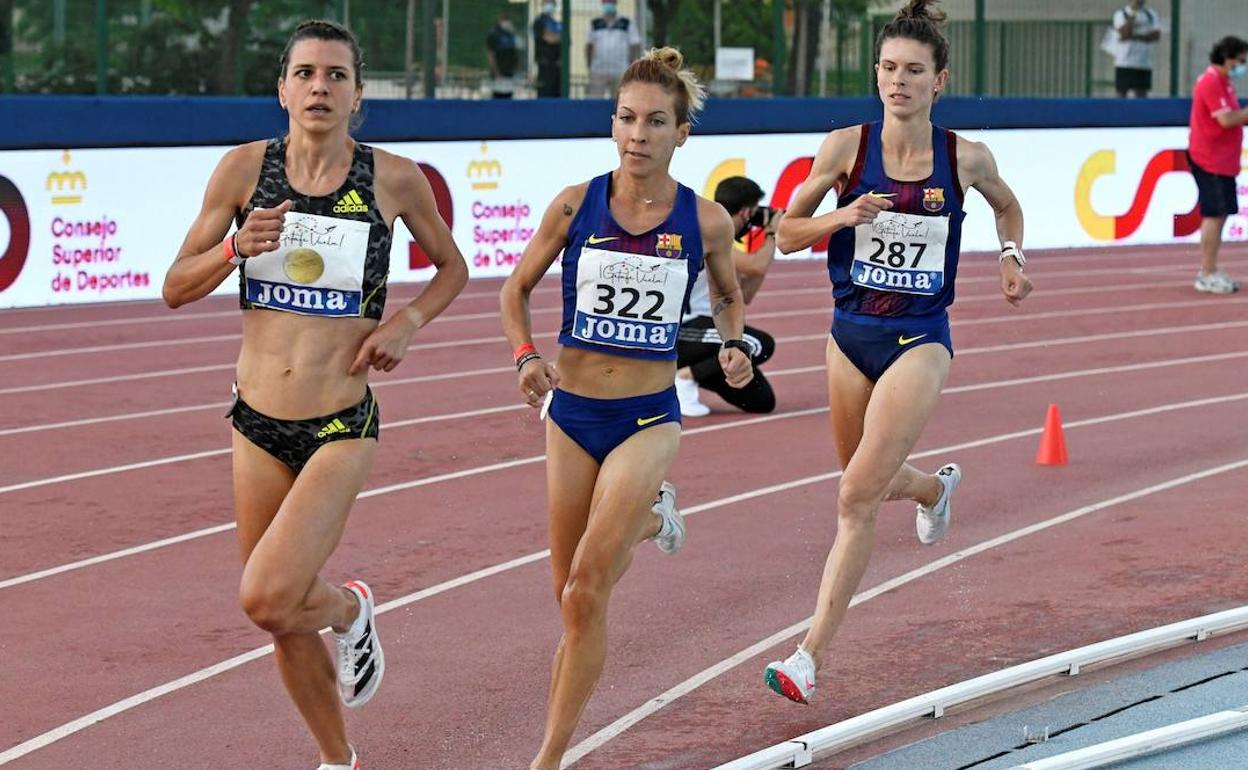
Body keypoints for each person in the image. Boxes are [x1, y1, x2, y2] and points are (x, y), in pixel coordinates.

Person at [161, 19, 468, 769]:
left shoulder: (393, 179)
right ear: (282, 90)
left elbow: (452, 267)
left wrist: (406, 323)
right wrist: (237, 247)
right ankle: (339, 761)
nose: (319, 87)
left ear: (358, 94)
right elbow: (174, 287)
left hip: (340, 421)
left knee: (268, 594)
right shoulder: (243, 172)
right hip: (255, 421)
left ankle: (352, 606)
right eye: (305, 74)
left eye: (335, 75)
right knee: (280, 619)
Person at [761, 0, 1033, 705]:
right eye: (887, 68)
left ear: (939, 80)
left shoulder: (964, 157)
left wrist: (1009, 254)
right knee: (866, 478)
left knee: (853, 497)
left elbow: (1008, 205)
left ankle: (807, 657)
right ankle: (934, 489)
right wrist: (841, 216)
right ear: (874, 73)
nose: (897, 82)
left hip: (920, 338)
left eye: (913, 71)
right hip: (849, 335)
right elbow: (785, 234)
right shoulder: (844, 148)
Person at [499, 47, 753, 770]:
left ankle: (547, 759)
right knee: (569, 598)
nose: (638, 134)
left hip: (647, 417)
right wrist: (524, 356)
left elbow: (730, 296)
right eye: (627, 118)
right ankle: (651, 518)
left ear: (682, 135)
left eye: (655, 122)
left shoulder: (704, 222)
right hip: (572, 415)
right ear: (613, 124)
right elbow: (513, 290)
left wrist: (735, 349)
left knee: (585, 591)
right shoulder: (576, 203)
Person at [676, 175, 783, 416]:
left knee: (761, 400)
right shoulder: (707, 236)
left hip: (706, 336)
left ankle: (692, 372)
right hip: (683, 332)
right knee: (759, 343)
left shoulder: (722, 242)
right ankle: (685, 376)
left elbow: (743, 296)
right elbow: (755, 265)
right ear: (746, 212)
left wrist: (767, 245)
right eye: (754, 212)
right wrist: (771, 234)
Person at [1188, 35, 1248, 295]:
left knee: (1220, 214)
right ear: (1228, 58)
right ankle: (1206, 271)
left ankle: (1211, 267)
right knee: (1213, 215)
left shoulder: (1225, 83)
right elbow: (1226, 119)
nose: (1243, 66)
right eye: (1242, 61)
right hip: (1210, 159)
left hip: (1223, 160)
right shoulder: (1211, 82)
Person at [586, 0, 642, 98]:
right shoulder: (595, 23)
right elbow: (589, 46)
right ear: (602, 3)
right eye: (606, 1)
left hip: (621, 70)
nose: (608, 3)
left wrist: (633, 67)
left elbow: (635, 45)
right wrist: (590, 67)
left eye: (611, 1)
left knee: (621, 100)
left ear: (616, 2)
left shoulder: (627, 23)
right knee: (594, 101)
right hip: (598, 70)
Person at [1111, 1, 1162, 98]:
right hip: (1125, 63)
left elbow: (1156, 35)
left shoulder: (1151, 15)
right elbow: (1125, 33)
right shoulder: (1121, 14)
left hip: (1143, 63)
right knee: (1121, 94)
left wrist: (1133, 36)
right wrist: (1133, 14)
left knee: (1141, 95)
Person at [485, 11, 521, 99]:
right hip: (499, 72)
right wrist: (496, 72)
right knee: (498, 95)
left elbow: (516, 52)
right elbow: (490, 54)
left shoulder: (511, 34)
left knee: (508, 95)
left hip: (510, 72)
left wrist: (516, 69)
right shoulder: (494, 34)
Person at [533, 1, 563, 98]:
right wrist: (560, 37)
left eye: (552, 3)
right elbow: (548, 38)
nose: (550, 5)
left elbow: (567, 40)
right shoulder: (538, 22)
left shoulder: (556, 23)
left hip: (558, 67)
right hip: (545, 66)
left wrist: (556, 37)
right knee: (544, 95)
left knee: (557, 96)